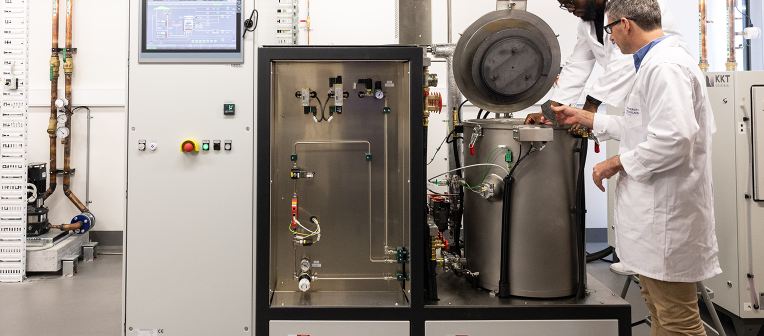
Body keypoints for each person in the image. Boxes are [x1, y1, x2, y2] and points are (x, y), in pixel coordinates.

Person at [550, 0, 721, 334]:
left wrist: (616, 162)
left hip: (667, 219)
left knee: (679, 321)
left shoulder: (664, 67)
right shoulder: (650, 64)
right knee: (660, 313)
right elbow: (640, 127)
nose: (610, 39)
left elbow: (674, 139)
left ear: (625, 25)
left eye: (612, 31)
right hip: (653, 223)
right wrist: (587, 117)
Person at [524, 0, 689, 125]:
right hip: (639, 100)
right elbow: (578, 64)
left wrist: (591, 106)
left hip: (672, 90)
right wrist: (549, 112)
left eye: (570, 2)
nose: (569, 9)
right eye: (564, 5)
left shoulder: (635, 5)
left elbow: (626, 60)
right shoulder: (587, 22)